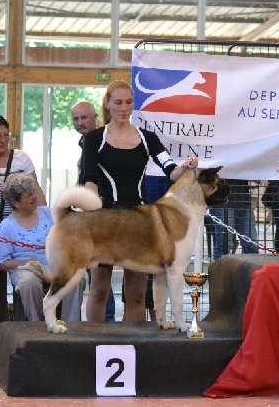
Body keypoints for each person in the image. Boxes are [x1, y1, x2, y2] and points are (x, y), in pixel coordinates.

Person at [83, 79, 197, 322]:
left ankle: (132, 348)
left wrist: (185, 166)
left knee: (135, 293)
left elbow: (171, 170)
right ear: (108, 104)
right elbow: (89, 178)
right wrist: (92, 209)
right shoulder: (94, 139)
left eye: (128, 102)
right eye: (118, 103)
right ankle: (91, 344)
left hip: (138, 221)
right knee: (99, 289)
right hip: (105, 221)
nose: (124, 108)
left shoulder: (147, 137)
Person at [0, 173, 83, 322]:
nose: (34, 197)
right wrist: (29, 261)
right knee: (28, 283)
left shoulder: (50, 214)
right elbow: (2, 263)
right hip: (25, 268)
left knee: (76, 278)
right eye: (28, 195)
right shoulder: (6, 226)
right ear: (15, 203)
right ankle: (36, 326)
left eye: (33, 192)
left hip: (54, 264)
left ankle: (71, 325)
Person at [70, 100, 117, 321]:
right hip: (88, 217)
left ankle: (107, 323)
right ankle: (101, 325)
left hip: (107, 215)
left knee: (102, 277)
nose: (80, 123)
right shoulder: (84, 143)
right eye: (76, 119)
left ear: (95, 116)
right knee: (96, 276)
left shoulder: (103, 141)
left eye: (84, 117)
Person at [0, 115, 46, 323]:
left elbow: (35, 189)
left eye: (4, 135)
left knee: (16, 271)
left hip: (16, 223)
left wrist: (46, 217)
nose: (1, 139)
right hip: (4, 227)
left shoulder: (21, 158)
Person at [207, 179, 259, 259]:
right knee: (224, 245)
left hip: (243, 200)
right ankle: (221, 270)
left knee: (251, 244)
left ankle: (251, 270)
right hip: (222, 202)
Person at [261, 180, 279, 251]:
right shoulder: (277, 179)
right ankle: (278, 250)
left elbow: (265, 199)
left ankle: (278, 250)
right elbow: (265, 199)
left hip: (278, 205)